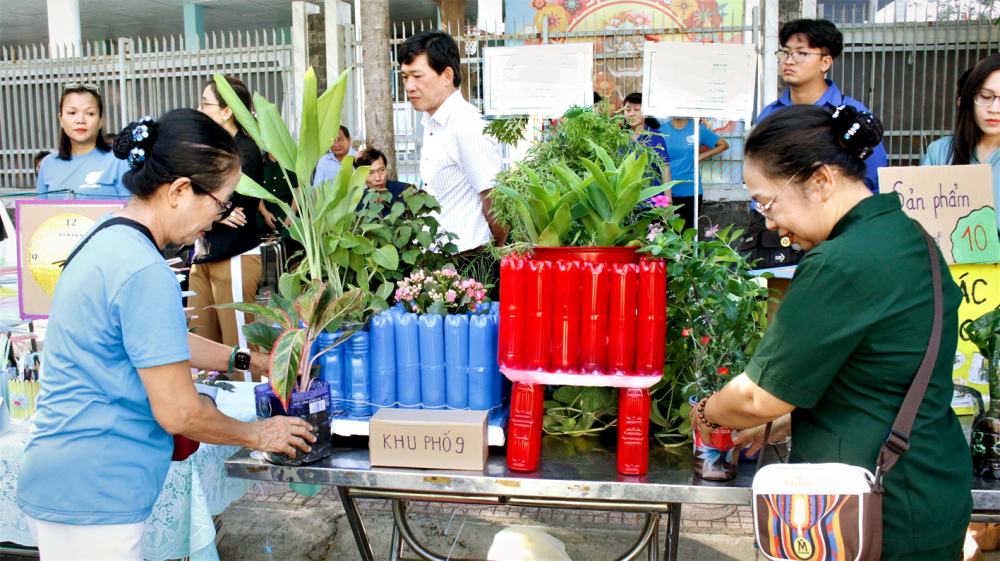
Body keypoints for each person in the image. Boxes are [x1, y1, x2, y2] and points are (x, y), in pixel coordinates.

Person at [17, 110, 315, 560]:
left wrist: (245, 359)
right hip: (95, 484)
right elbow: (179, 412)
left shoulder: (110, 239)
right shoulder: (143, 269)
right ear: (179, 191)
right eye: (220, 204)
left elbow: (157, 341)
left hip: (72, 477)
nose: (218, 219)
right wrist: (258, 434)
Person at [691, 104, 972, 559]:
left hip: (874, 513)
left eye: (768, 201)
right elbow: (884, 368)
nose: (767, 220)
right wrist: (791, 421)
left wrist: (707, 414)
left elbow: (754, 397)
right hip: (929, 488)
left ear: (821, 181)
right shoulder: (910, 236)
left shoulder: (841, 260)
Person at [399, 30, 507, 252]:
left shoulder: (466, 124)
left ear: (447, 76)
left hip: (468, 263)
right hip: (440, 262)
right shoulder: (434, 122)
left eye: (417, 76)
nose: (409, 86)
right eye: (404, 77)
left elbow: (494, 201)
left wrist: (487, 258)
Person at [757, 19, 888, 193]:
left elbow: (873, 181)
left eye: (801, 53)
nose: (789, 61)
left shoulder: (853, 116)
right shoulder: (769, 115)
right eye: (786, 52)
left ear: (825, 62)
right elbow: (760, 174)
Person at [190, 76, 265, 348]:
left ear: (226, 111)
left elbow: (234, 204)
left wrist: (213, 209)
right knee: (201, 341)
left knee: (239, 347)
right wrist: (216, 210)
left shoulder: (244, 150)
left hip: (234, 254)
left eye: (204, 103)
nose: (199, 110)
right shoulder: (209, 147)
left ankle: (249, 392)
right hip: (203, 251)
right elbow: (193, 193)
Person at [922, 53, 1000, 235]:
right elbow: (923, 220)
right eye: (986, 96)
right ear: (967, 100)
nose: (994, 109)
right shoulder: (940, 152)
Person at [35, 84, 129, 200]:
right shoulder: (48, 164)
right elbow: (40, 212)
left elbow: (130, 211)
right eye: (72, 113)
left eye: (90, 113)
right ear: (61, 119)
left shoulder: (119, 160)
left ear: (100, 120)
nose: (80, 120)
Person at [660, 115, 729, 231]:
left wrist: (701, 156)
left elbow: (724, 144)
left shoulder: (698, 129)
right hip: (666, 190)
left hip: (690, 189)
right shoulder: (661, 131)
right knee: (666, 234)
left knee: (688, 233)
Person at [353, 147, 410, 214]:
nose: (378, 178)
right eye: (370, 173)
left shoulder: (405, 191)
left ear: (386, 168)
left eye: (381, 170)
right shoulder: (357, 201)